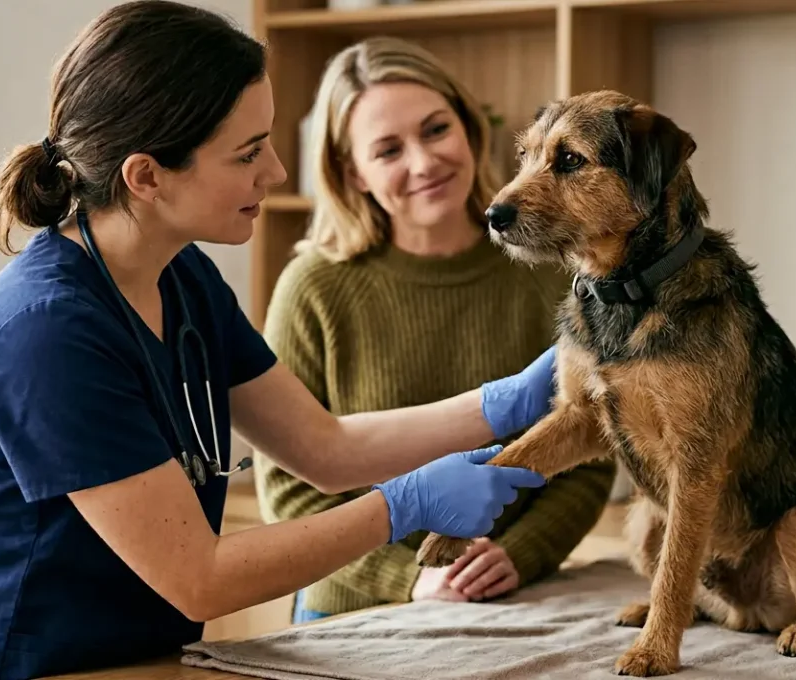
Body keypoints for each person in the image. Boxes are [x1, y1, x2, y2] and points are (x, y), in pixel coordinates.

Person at [0, 3, 558, 679]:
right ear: (147, 176)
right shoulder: (45, 334)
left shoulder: (182, 275)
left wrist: (505, 403)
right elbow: (200, 577)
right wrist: (403, 506)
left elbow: (325, 450)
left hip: (145, 660)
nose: (275, 172)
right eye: (248, 153)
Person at [254, 36, 617, 624]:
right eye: (388, 149)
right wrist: (409, 580)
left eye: (435, 130)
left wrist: (520, 555)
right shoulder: (311, 288)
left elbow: (594, 451)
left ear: (470, 129)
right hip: (354, 617)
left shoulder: (557, 276)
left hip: (512, 603)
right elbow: (289, 495)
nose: (423, 163)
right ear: (354, 174)